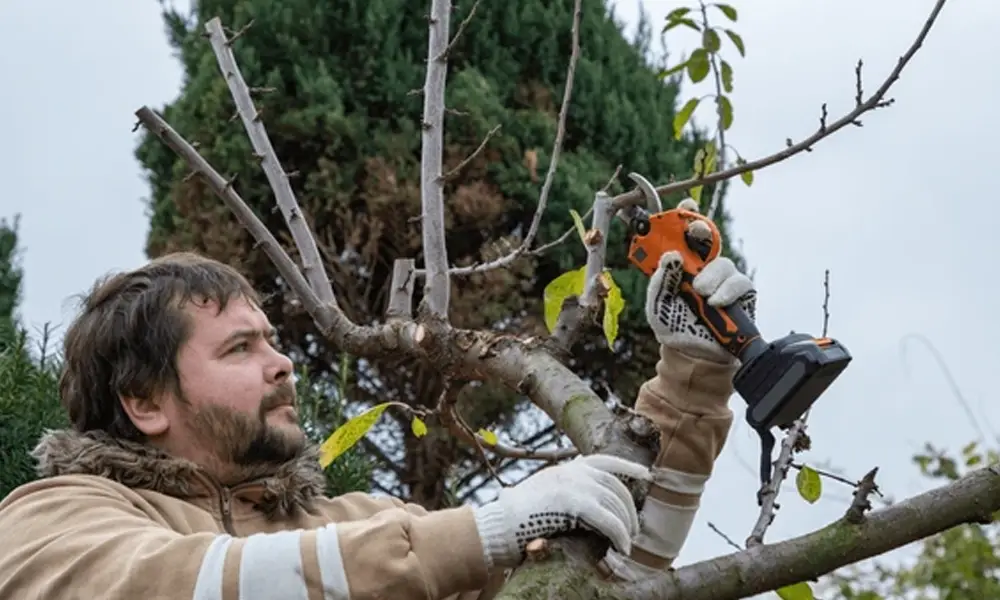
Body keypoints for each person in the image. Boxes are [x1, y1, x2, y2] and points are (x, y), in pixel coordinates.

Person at [0, 201, 755, 599]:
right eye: (240, 348)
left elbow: (620, 565)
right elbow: (183, 587)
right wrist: (485, 530)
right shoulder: (53, 520)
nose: (285, 363)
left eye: (272, 339)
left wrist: (694, 373)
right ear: (143, 402)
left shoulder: (361, 526)